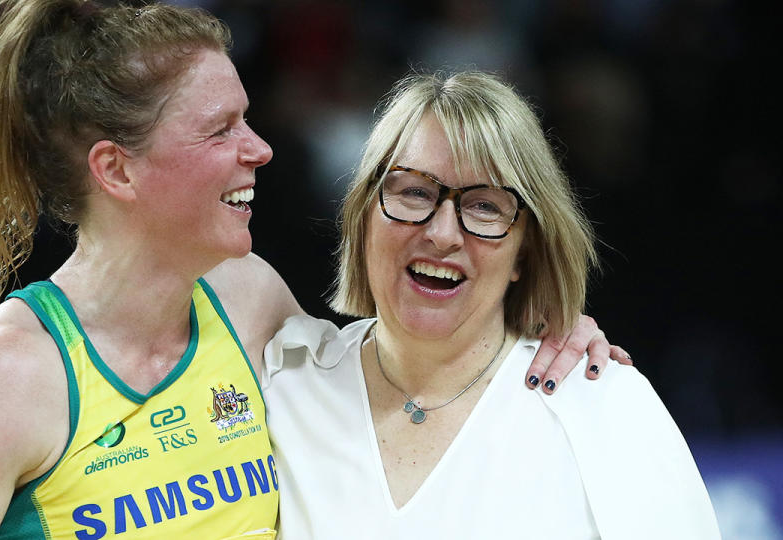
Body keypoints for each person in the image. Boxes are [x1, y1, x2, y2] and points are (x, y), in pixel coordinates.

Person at [0, 2, 622, 539]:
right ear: (117, 169)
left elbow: (408, 381)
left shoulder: (248, 301)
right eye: (221, 129)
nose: (260, 149)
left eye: (248, 118)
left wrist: (541, 332)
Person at [262, 71, 720, 539]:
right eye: (414, 192)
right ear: (363, 216)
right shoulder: (280, 380)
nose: (441, 234)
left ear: (525, 251)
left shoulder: (607, 409)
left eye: (484, 206)